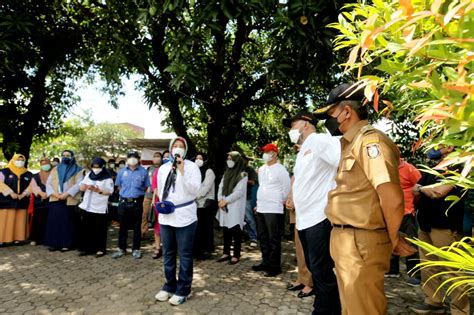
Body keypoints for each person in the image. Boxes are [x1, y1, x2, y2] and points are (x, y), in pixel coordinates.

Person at [314, 82, 415, 315]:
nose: (330, 121)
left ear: (346, 111)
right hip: (347, 238)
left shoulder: (370, 142)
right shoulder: (351, 143)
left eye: (331, 114)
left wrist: (393, 238)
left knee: (363, 309)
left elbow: (391, 198)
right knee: (352, 307)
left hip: (361, 240)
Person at [283, 110, 341, 314]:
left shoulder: (318, 140)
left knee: (322, 269)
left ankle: (327, 310)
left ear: (306, 124)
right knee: (315, 268)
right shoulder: (303, 150)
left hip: (319, 216)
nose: (291, 130)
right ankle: (324, 306)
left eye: (293, 125)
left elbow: (341, 162)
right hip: (304, 219)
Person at [411, 156, 470, 314]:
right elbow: (414, 188)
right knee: (428, 266)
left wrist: (422, 189)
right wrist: (424, 189)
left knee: (453, 271)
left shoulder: (458, 167)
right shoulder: (435, 166)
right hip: (425, 225)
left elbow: (438, 192)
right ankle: (433, 302)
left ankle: (460, 310)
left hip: (445, 227)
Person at [154, 137, 201, 306]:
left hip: (185, 215)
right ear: (171, 148)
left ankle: (184, 289)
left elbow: (195, 190)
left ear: (185, 150)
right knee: (168, 253)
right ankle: (169, 285)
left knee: (185, 254)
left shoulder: (192, 167)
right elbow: (160, 189)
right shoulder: (163, 168)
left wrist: (182, 170)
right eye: (175, 146)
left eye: (181, 146)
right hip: (167, 215)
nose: (178, 148)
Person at [252, 143, 290, 277]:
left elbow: (286, 189)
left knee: (273, 238)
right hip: (262, 207)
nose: (265, 154)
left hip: (274, 208)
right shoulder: (262, 169)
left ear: (274, 153)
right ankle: (266, 262)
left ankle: (275, 266)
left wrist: (280, 201)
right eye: (264, 151)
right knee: (262, 237)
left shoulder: (281, 169)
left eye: (267, 152)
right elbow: (262, 187)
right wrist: (258, 204)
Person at [386, 157, 422, 286]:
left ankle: (415, 274)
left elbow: (420, 189)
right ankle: (392, 270)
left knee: (410, 243)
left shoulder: (409, 169)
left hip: (407, 212)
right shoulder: (384, 168)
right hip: (389, 212)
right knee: (391, 241)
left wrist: (413, 206)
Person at [112, 151, 150, 259]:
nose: (132, 159)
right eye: (130, 157)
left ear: (138, 159)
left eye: (135, 157)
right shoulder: (121, 171)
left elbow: (146, 187)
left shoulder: (143, 172)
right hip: (123, 203)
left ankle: (136, 249)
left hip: (137, 203)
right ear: (127, 159)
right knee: (122, 227)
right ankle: (121, 249)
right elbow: (119, 186)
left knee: (137, 227)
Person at [44, 150, 84, 252]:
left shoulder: (78, 170)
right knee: (55, 222)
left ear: (72, 157)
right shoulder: (55, 169)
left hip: (69, 200)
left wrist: (66, 194)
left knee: (67, 223)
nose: (66, 157)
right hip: (55, 198)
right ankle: (54, 243)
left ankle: (67, 244)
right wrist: (55, 194)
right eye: (64, 155)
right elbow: (48, 184)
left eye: (68, 155)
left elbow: (79, 184)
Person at [77, 158, 114, 257]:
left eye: (98, 167)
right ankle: (86, 248)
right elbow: (81, 186)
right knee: (86, 228)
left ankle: (100, 249)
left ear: (102, 167)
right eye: (94, 167)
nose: (95, 169)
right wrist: (84, 187)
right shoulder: (89, 175)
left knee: (100, 229)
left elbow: (110, 192)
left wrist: (99, 191)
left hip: (99, 208)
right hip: (87, 206)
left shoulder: (108, 178)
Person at [216, 151, 248, 265]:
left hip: (234, 205)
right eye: (228, 158)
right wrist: (220, 199)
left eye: (231, 158)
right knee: (226, 229)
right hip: (224, 204)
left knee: (236, 230)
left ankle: (236, 254)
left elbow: (239, 192)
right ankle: (226, 252)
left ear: (237, 160)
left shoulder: (242, 175)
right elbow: (220, 187)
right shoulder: (226, 173)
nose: (229, 160)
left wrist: (226, 201)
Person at [286, 176, 314, 298]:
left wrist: (296, 202)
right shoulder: (300, 164)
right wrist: (289, 200)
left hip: (310, 215)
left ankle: (310, 283)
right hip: (298, 214)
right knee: (299, 250)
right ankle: (302, 279)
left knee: (308, 252)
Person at [0, 154, 33, 246]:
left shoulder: (28, 174)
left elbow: (31, 185)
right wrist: (10, 192)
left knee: (20, 220)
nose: (20, 162)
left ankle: (18, 239)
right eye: (18, 159)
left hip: (21, 200)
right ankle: (2, 240)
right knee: (5, 220)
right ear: (13, 160)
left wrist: (24, 194)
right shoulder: (4, 172)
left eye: (22, 160)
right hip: (6, 200)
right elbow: (0, 183)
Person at [193, 152, 216, 260]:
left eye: (201, 158)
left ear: (205, 160)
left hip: (205, 204)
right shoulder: (194, 172)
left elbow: (206, 188)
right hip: (196, 205)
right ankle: (197, 250)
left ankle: (206, 250)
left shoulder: (209, 171)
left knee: (205, 228)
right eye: (196, 158)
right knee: (197, 229)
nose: (198, 160)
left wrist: (194, 197)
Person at [28, 157, 52, 246]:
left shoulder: (54, 174)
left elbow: (57, 185)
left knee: (49, 220)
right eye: (43, 164)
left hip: (51, 200)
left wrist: (48, 193)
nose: (45, 165)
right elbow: (33, 186)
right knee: (37, 220)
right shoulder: (36, 176)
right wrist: (41, 193)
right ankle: (35, 239)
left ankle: (46, 239)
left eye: (46, 163)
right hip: (39, 201)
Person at [142, 151, 162, 241]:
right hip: (148, 196)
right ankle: (143, 233)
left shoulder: (163, 168)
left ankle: (157, 236)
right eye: (154, 156)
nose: (156, 158)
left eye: (158, 156)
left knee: (158, 216)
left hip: (159, 196)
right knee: (144, 215)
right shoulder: (149, 169)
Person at [244, 157, 258, 247]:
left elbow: (253, 182)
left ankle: (253, 237)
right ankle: (246, 236)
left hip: (247, 197)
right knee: (242, 219)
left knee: (249, 218)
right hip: (236, 198)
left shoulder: (250, 170)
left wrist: (242, 181)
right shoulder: (235, 169)